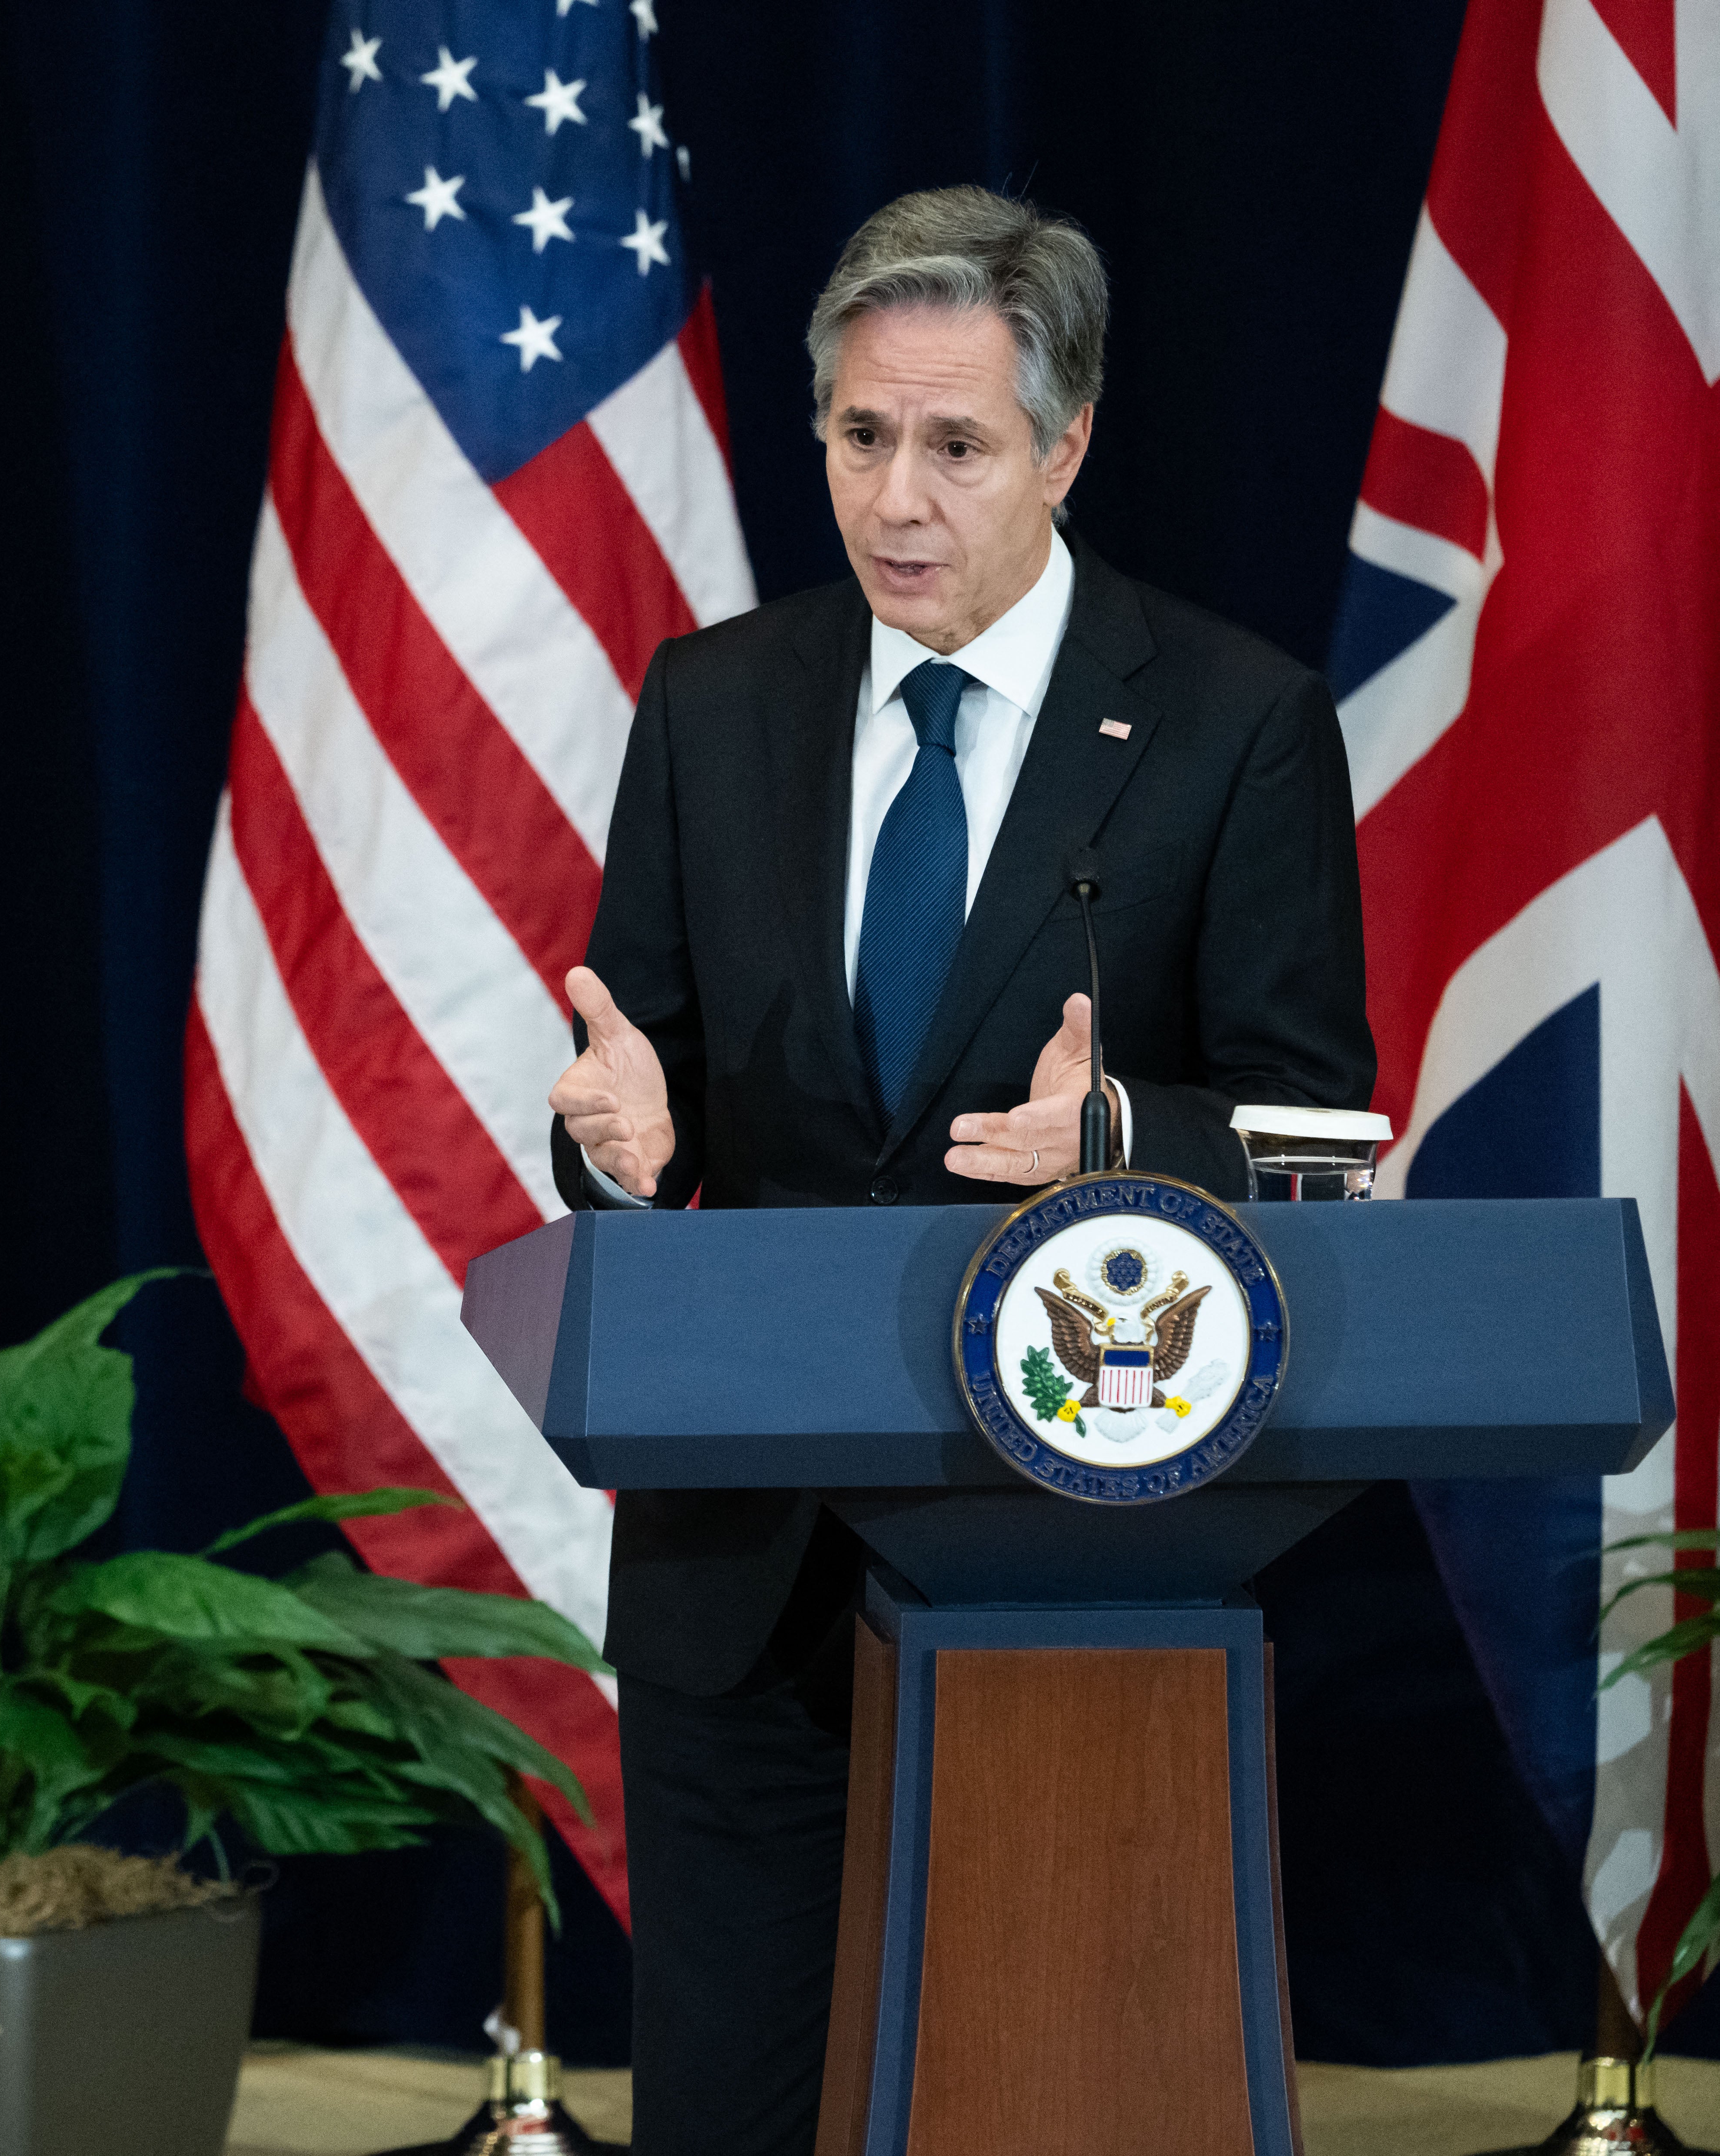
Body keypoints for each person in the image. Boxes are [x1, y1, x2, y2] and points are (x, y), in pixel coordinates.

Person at [545, 185, 1370, 2153]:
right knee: (731, 2102)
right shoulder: (713, 704)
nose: (896, 498)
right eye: (858, 437)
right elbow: (628, 1095)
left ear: (1066, 446)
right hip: (741, 1555)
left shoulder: (1234, 724)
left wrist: (1124, 1147)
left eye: (957, 445)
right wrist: (623, 1161)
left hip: (1072, 1548)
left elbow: (1313, 1126)